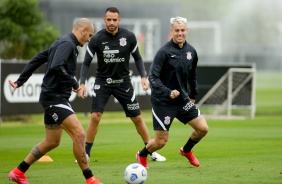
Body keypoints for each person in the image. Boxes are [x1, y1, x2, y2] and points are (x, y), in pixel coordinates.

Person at [8, 18, 102, 184]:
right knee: (79, 134)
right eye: (89, 35)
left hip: (52, 97)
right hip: (54, 98)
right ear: (82, 31)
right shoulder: (68, 44)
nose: (89, 40)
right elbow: (56, 67)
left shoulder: (60, 41)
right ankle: (90, 179)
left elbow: (38, 59)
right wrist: (74, 84)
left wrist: (20, 81)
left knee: (52, 141)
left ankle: (18, 172)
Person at [78, 7, 166, 162]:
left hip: (123, 83)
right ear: (104, 20)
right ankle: (86, 153)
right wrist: (82, 83)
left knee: (137, 118)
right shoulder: (97, 39)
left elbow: (138, 58)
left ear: (119, 20)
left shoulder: (129, 36)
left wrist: (143, 77)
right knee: (95, 117)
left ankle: (150, 151)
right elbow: (86, 63)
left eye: (114, 20)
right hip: (103, 83)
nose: (112, 23)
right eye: (109, 20)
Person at [136, 16, 209, 169]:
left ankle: (186, 150)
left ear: (187, 30)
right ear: (172, 31)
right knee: (161, 142)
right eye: (177, 30)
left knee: (203, 128)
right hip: (163, 101)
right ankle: (142, 154)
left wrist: (193, 96)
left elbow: (192, 75)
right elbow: (153, 77)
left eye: (182, 30)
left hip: (182, 100)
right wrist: (167, 92)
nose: (180, 33)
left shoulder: (191, 52)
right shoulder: (164, 52)